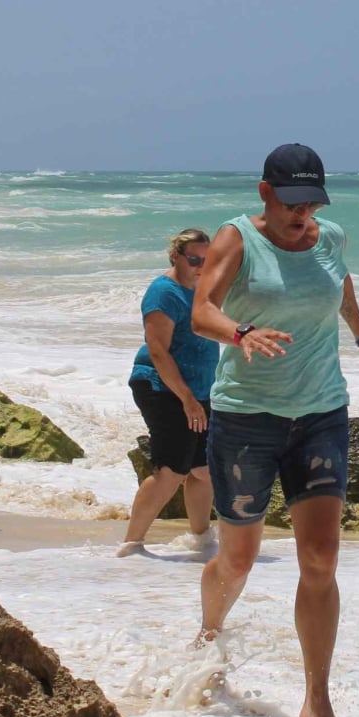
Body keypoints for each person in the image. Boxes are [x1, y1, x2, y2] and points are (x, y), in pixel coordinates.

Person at [191, 143, 359, 717]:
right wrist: (241, 333)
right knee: (239, 558)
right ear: (265, 193)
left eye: (312, 201)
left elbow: (341, 285)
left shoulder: (329, 236)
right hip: (246, 420)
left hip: (321, 413)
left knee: (322, 559)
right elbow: (203, 311)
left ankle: (317, 698)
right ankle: (207, 636)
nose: (301, 213)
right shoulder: (237, 239)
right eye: (291, 201)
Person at [118, 228, 220, 556]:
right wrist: (187, 400)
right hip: (162, 387)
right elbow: (158, 351)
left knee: (205, 471)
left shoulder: (203, 289)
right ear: (176, 256)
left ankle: (201, 541)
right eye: (194, 259)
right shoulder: (163, 293)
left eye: (208, 260)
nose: (201, 265)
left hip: (199, 390)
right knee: (171, 470)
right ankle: (132, 544)